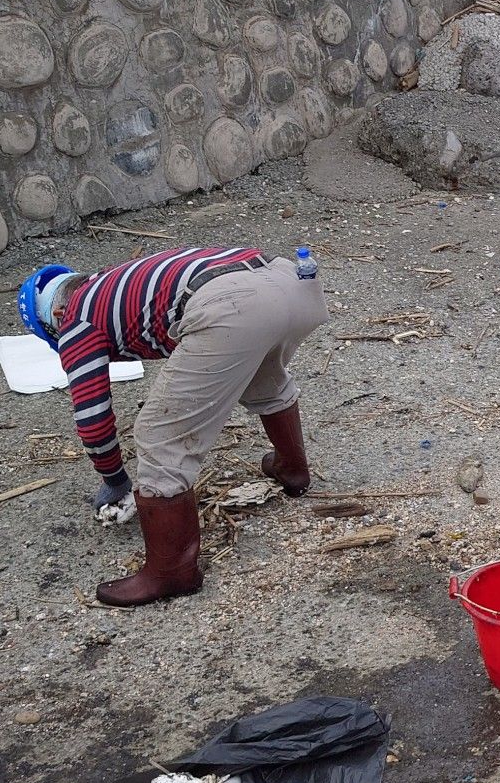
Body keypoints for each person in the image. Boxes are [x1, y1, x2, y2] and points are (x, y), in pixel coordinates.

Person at [17, 246, 327, 607]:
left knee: (159, 435)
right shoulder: (115, 281)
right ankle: (292, 470)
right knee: (263, 375)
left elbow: (93, 419)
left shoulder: (75, 319)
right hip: (292, 281)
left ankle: (171, 571)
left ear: (56, 313)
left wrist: (115, 480)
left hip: (232, 302)